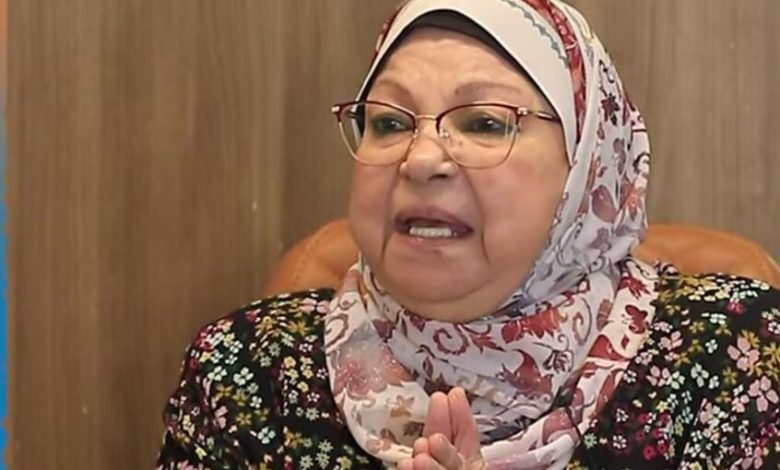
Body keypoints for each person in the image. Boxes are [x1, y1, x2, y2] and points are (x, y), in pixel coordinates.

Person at [156, 0, 780, 468]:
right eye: (390, 122)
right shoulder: (245, 369)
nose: (422, 158)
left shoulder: (732, 353)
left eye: (483, 122)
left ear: (587, 171)